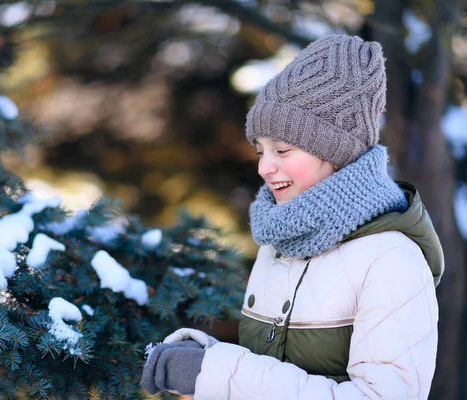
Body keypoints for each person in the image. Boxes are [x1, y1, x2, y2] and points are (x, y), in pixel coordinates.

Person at [140, 34, 444, 400]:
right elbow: (271, 371)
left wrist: (217, 373)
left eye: (282, 149)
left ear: (336, 151)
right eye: (260, 151)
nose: (265, 168)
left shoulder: (392, 260)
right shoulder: (280, 242)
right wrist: (207, 360)